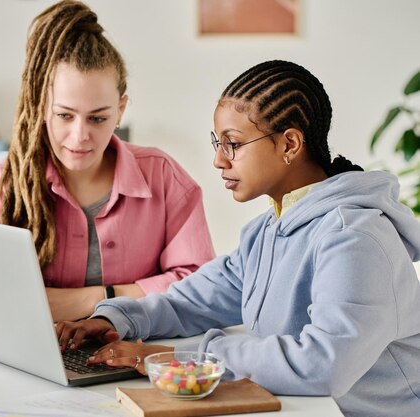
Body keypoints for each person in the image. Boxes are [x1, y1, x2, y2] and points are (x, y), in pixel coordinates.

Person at [56, 60, 420, 417]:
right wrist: (114, 320)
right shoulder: (267, 232)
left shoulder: (353, 238)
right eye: (218, 142)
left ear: (290, 144)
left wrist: (180, 359)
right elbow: (193, 302)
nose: (218, 160)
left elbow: (323, 363)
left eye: (232, 143)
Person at [0, 0, 214, 323]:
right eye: (64, 115)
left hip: (134, 357)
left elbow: (200, 287)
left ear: (121, 110)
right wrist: (133, 293)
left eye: (98, 118)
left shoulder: (163, 177)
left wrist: (95, 300)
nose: (79, 136)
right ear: (42, 107)